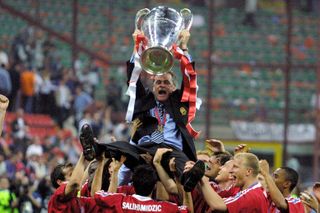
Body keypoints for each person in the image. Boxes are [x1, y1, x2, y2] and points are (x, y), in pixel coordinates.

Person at [80, 28, 204, 192]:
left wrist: (184, 49)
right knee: (121, 146)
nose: (161, 85)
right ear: (153, 87)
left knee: (184, 161)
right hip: (145, 148)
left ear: (173, 88)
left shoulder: (180, 102)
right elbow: (133, 76)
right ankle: (94, 149)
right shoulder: (145, 101)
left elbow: (189, 79)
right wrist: (137, 46)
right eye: (158, 82)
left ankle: (188, 179)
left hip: (171, 151)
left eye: (166, 82)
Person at [186, 152, 269, 212]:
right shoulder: (254, 192)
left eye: (235, 167)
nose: (231, 171)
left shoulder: (252, 195)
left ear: (248, 171)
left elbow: (218, 206)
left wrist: (202, 179)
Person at [94, 164, 190, 212]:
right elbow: (187, 210)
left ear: (133, 185)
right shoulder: (165, 208)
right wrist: (182, 179)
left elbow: (97, 195)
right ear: (154, 186)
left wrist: (101, 162)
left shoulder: (120, 200)